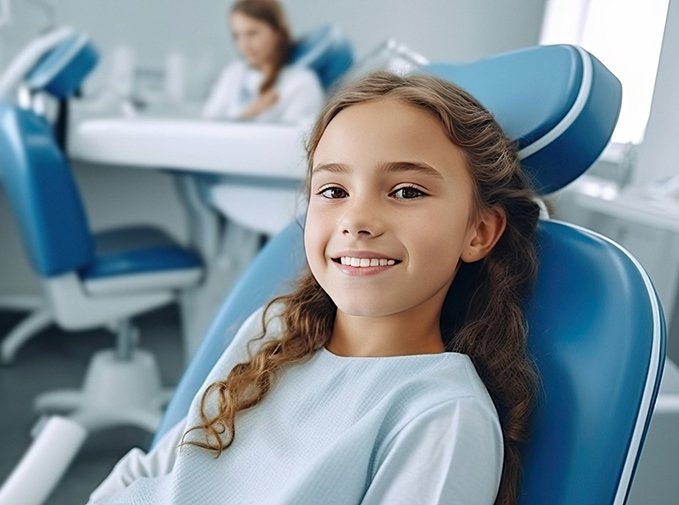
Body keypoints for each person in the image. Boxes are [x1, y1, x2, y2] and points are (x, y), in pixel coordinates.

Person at [87, 71, 540, 505]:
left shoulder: (441, 416)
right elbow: (159, 470)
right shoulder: (272, 334)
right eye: (333, 191)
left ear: (479, 231)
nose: (356, 221)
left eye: (405, 192)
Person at [201, 0, 324, 126]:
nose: (243, 45)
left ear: (277, 33)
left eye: (252, 33)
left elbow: (295, 139)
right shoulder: (233, 73)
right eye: (237, 36)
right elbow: (207, 126)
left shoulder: (302, 83)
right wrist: (250, 111)